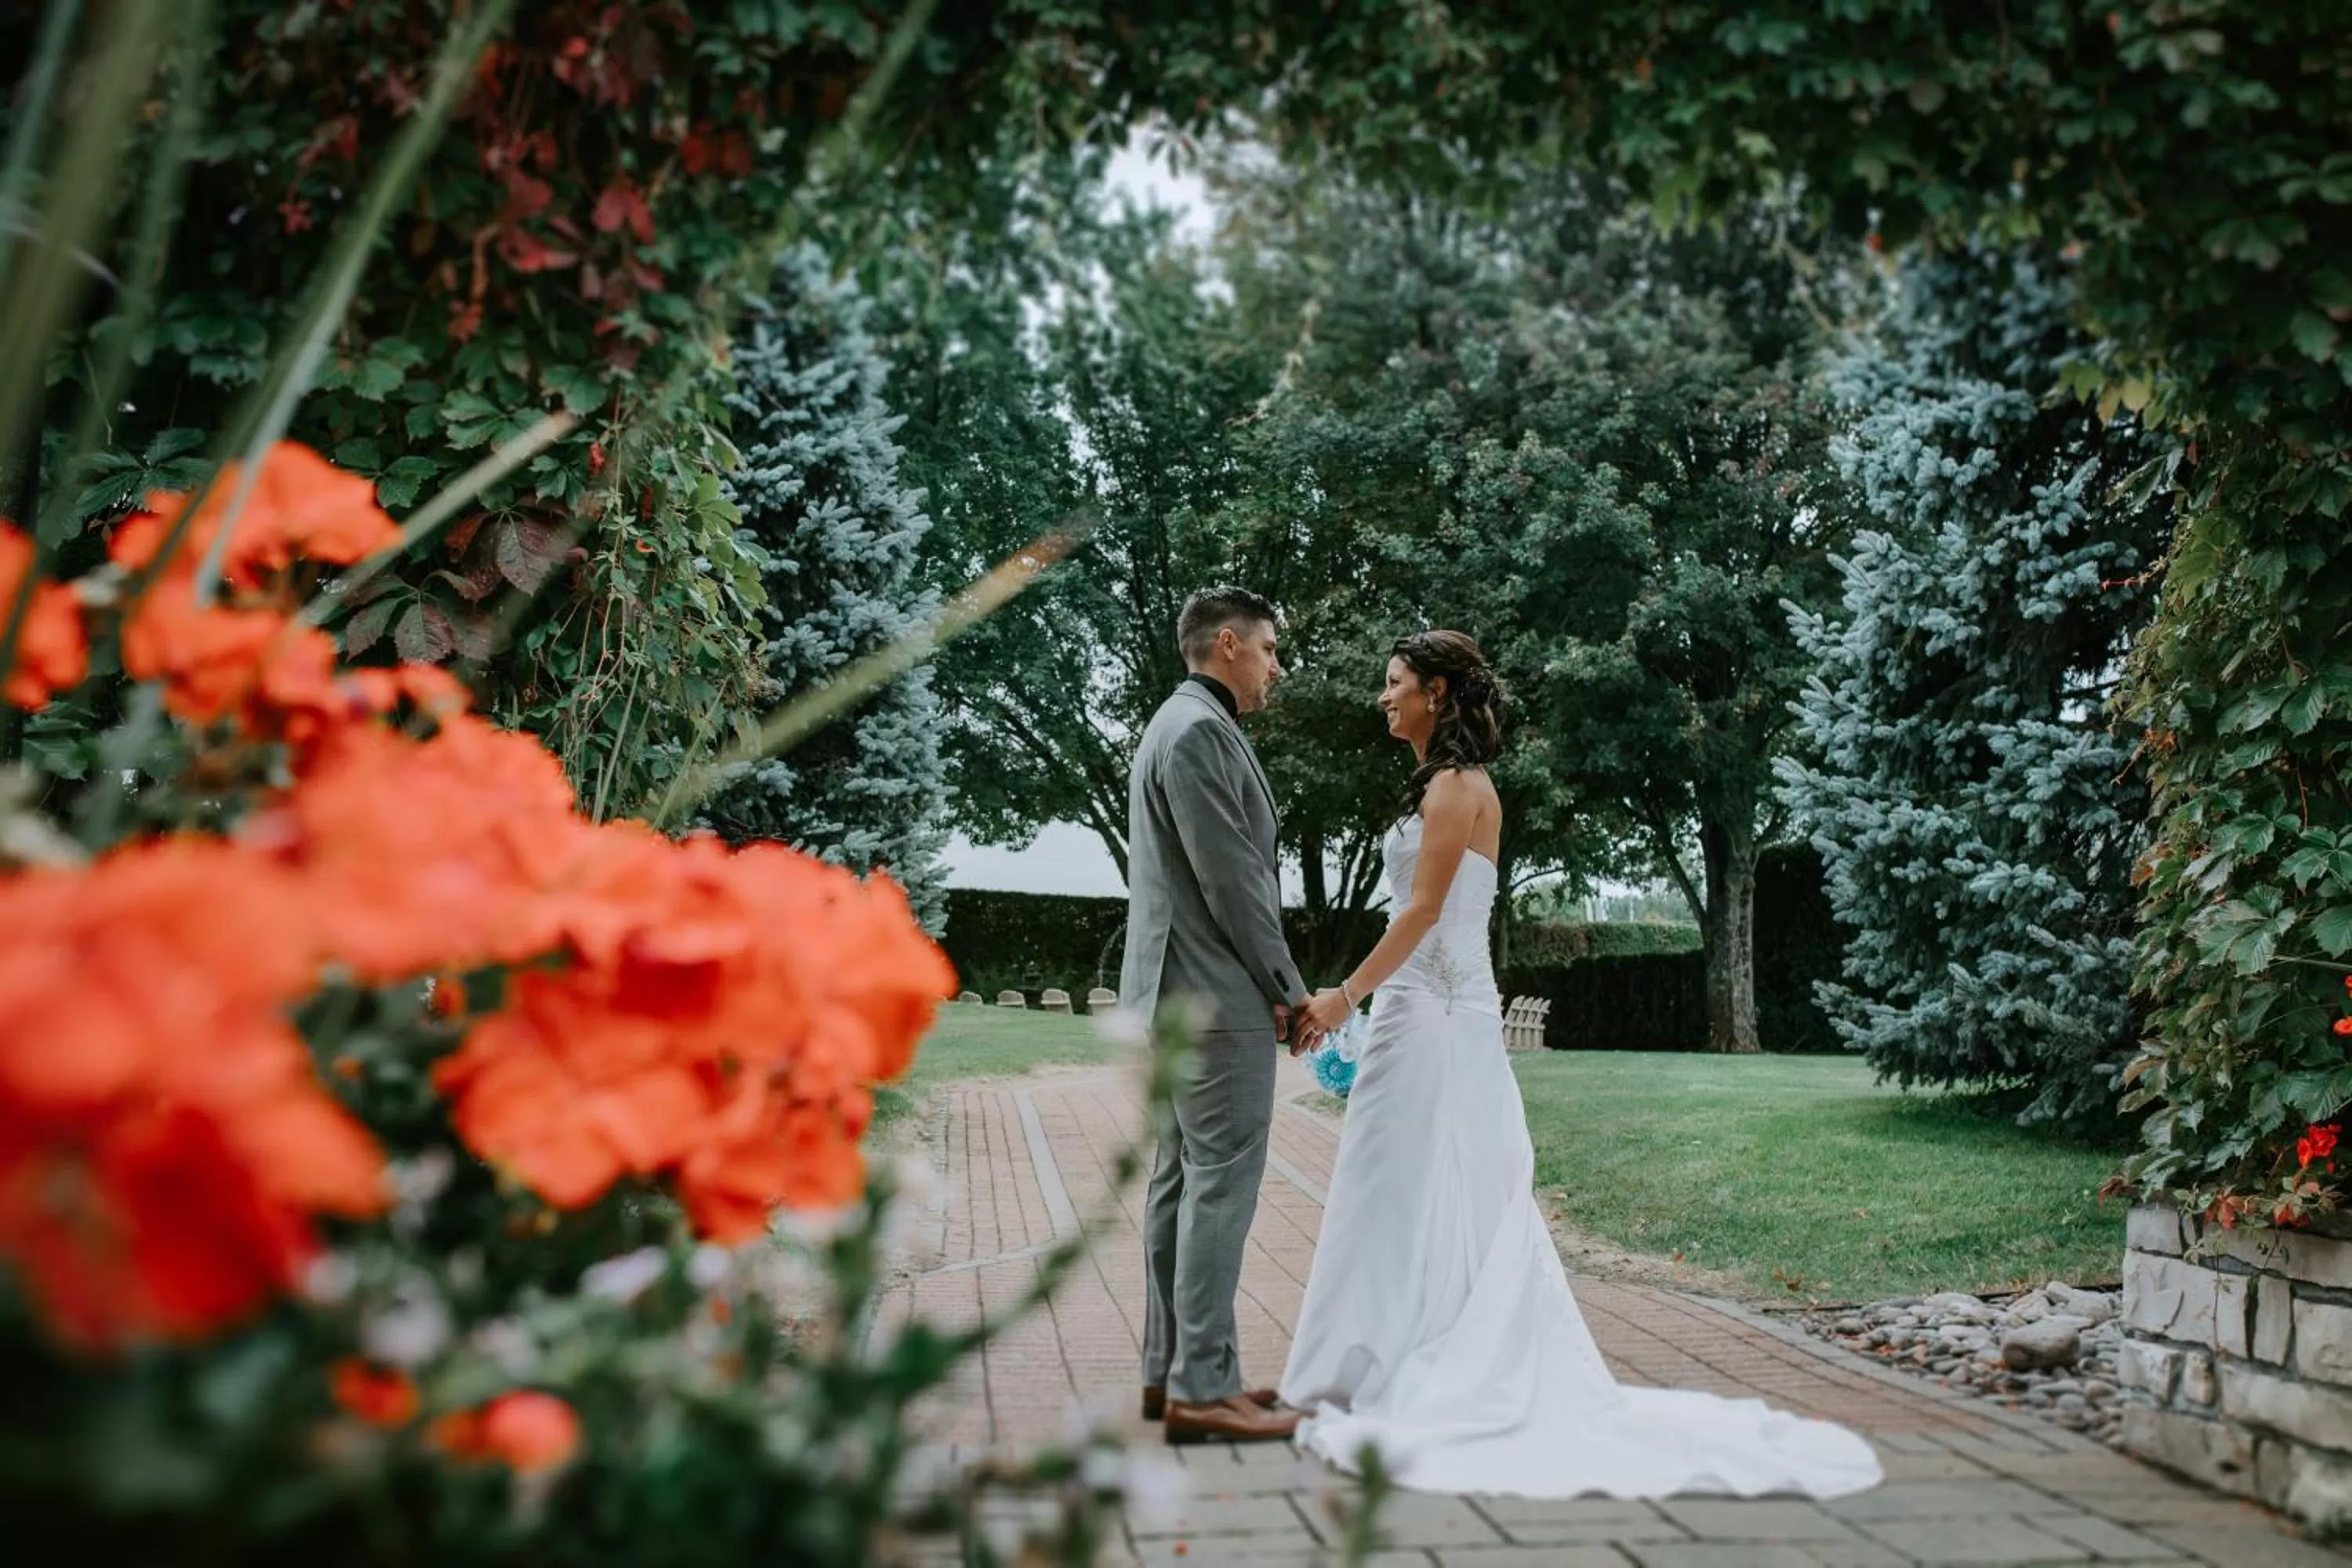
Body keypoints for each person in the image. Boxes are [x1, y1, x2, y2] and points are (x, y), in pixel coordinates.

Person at [1279, 630, 1882, 1499]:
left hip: (1437, 1014)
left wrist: (1345, 997)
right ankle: (1372, 1359)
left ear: (1438, 692)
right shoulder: (1439, 784)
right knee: (1401, 1185)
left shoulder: (1458, 786)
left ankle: (1398, 1366)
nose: (1384, 696)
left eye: (1395, 682)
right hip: (1428, 1011)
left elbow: (1422, 913)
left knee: (1405, 1179)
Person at [1120, 586, 1312, 1445]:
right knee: (1220, 1184)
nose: (1277, 664)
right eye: (1270, 648)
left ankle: (1171, 1374)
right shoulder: (1199, 731)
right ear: (1227, 644)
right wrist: (1288, 985)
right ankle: (1206, 1383)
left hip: (1168, 994)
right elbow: (1235, 881)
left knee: (1180, 1180)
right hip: (1211, 999)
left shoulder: (1170, 723)